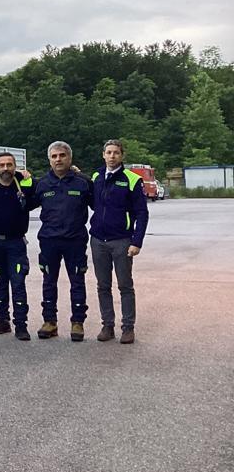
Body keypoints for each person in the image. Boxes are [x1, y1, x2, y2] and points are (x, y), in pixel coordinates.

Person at [32, 141, 95, 342]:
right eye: (54, 156)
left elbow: (101, 207)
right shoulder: (41, 184)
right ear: (49, 160)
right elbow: (23, 204)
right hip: (49, 241)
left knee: (77, 281)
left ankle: (78, 322)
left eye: (62, 155)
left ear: (70, 158)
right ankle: (50, 321)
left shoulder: (83, 182)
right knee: (48, 281)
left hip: (75, 241)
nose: (58, 159)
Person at [90, 139, 149, 344]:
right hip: (98, 240)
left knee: (125, 285)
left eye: (116, 152)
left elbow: (142, 213)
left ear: (122, 155)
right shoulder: (96, 176)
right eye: (108, 152)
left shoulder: (132, 180)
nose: (112, 156)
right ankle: (107, 326)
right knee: (103, 285)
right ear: (103, 155)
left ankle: (128, 328)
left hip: (122, 241)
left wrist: (137, 241)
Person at [0, 152, 37, 340]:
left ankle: (21, 325)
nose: (6, 168)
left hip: (16, 243)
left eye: (9, 165)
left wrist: (76, 173)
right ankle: (3, 321)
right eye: (2, 165)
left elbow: (50, 187)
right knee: (0, 282)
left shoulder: (27, 183)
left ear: (15, 166)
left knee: (18, 282)